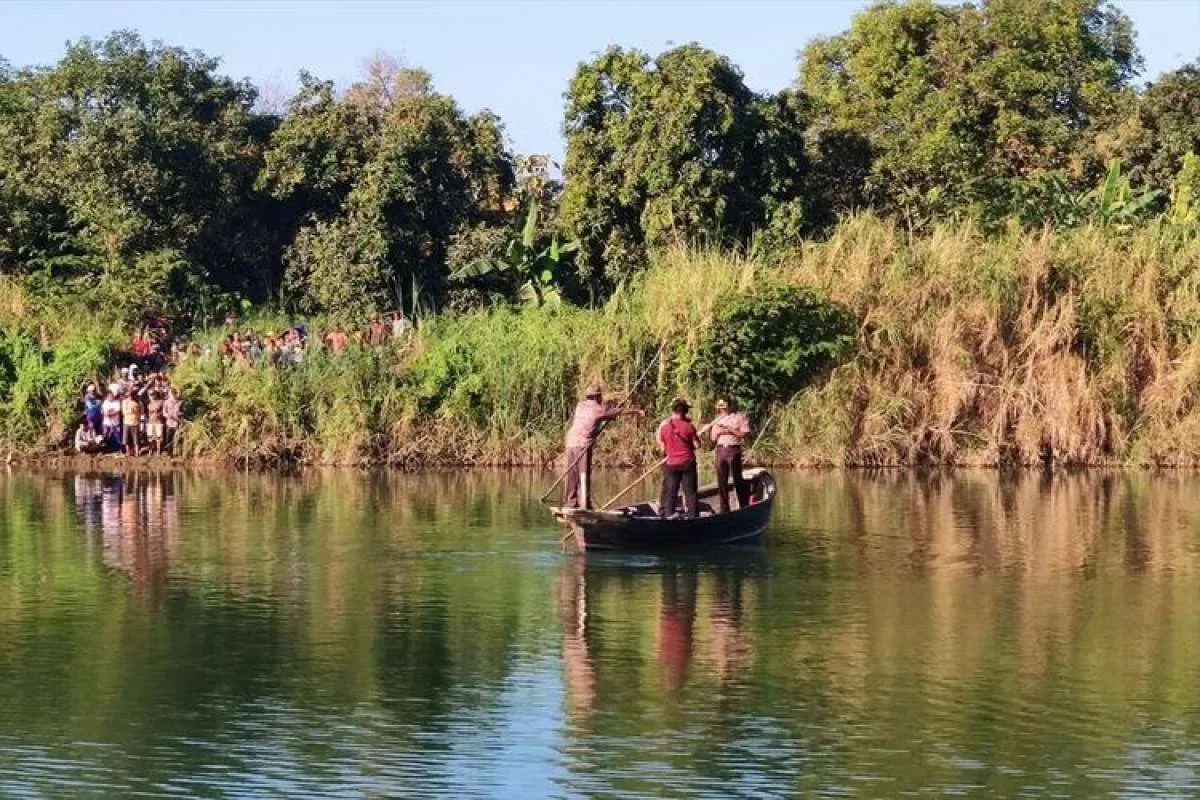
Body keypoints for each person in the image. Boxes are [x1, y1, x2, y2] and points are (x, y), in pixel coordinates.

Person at [562, 384, 643, 509]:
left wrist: (609, 416)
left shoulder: (580, 406)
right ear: (596, 397)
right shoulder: (598, 410)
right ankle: (585, 504)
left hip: (570, 442)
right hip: (582, 445)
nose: (601, 398)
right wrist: (637, 411)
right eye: (600, 396)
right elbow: (618, 412)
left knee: (572, 474)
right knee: (583, 474)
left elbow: (601, 417)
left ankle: (570, 503)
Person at [705, 397, 752, 513]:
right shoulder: (717, 420)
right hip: (721, 450)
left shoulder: (740, 417)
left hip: (733, 450)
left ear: (730, 406)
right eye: (721, 408)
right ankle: (724, 509)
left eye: (724, 408)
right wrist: (719, 431)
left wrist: (730, 430)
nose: (722, 410)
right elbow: (713, 438)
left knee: (737, 479)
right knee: (722, 481)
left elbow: (743, 434)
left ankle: (743, 505)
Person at [656, 398, 701, 519]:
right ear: (685, 411)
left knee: (671, 492)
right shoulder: (689, 427)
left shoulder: (665, 427)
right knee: (690, 492)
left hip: (671, 464)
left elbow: (662, 446)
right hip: (687, 463)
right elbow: (697, 445)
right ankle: (692, 517)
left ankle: (668, 515)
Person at [121, 389, 142, 456]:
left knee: (136, 439)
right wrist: (133, 410)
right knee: (126, 439)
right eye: (130, 395)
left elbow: (141, 412)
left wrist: (133, 411)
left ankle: (136, 452)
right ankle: (128, 452)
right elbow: (124, 412)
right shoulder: (124, 402)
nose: (131, 396)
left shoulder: (139, 402)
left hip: (135, 422)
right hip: (127, 422)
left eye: (132, 395)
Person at [164, 388, 182, 455]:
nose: (171, 394)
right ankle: (169, 453)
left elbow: (183, 411)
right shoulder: (166, 402)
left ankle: (177, 452)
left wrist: (180, 414)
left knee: (177, 438)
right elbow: (164, 412)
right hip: (169, 423)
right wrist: (168, 416)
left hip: (177, 423)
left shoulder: (180, 402)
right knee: (168, 438)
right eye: (170, 393)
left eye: (172, 393)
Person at [146, 390, 165, 455]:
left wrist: (160, 414)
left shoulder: (161, 402)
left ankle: (158, 451)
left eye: (153, 394)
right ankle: (150, 451)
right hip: (151, 421)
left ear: (156, 394)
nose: (152, 396)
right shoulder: (149, 404)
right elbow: (148, 414)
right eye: (150, 395)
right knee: (150, 438)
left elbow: (164, 411)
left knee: (158, 438)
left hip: (158, 421)